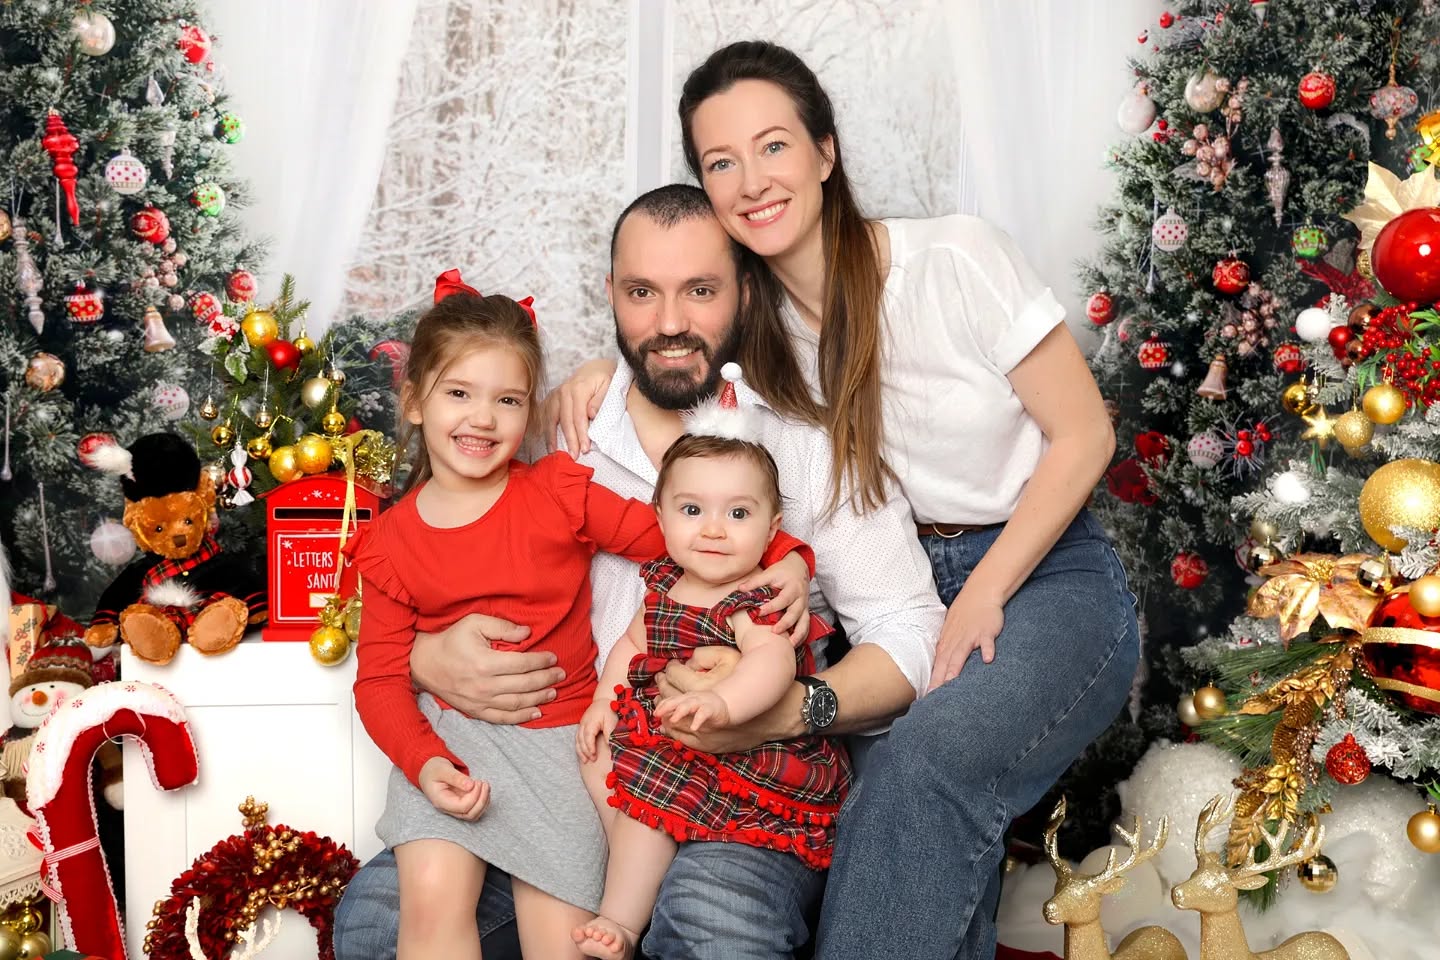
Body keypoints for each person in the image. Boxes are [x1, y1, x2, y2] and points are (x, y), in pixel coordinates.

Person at [550, 41, 1142, 960]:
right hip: (899, 587)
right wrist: (598, 372)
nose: (753, 181)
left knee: (922, 768)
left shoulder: (953, 259)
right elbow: (670, 336)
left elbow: (1087, 436)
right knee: (897, 818)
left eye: (774, 146)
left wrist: (983, 591)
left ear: (826, 150)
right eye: (721, 162)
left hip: (1040, 567)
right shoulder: (762, 332)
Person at [332, 184, 945, 960]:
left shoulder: (805, 443)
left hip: (742, 788)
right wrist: (425, 658)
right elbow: (430, 583)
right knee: (377, 925)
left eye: (700, 290)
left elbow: (911, 629)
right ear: (612, 296)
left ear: (746, 289)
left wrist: (795, 702)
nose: (670, 322)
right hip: (577, 768)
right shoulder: (551, 435)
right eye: (642, 293)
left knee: (710, 919)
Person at [345, 274, 813, 958]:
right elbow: (379, 682)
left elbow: (679, 538)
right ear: (414, 400)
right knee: (429, 903)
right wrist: (422, 761)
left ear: (529, 409)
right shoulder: (388, 543)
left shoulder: (558, 495)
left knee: (562, 941)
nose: (483, 419)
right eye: (458, 394)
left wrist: (787, 554)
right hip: (449, 740)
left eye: (508, 400)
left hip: (562, 745)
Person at [573, 374, 851, 960]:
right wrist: (603, 701)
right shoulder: (665, 585)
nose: (714, 529)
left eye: (739, 513)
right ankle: (629, 887)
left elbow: (773, 665)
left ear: (773, 527)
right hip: (667, 735)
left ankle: (625, 916)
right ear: (661, 516)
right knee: (606, 772)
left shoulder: (757, 595)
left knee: (649, 805)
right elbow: (630, 645)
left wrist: (723, 704)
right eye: (692, 509)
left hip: (739, 751)